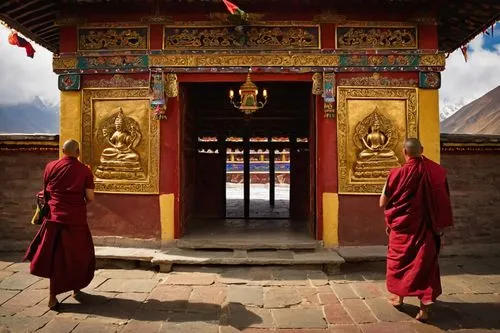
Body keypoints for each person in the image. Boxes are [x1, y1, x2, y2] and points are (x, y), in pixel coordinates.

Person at [379, 138, 453, 322]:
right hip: (427, 230)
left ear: (404, 151)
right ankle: (424, 311)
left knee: (400, 264)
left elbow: (382, 202)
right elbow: (442, 201)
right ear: (422, 149)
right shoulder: (437, 172)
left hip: (402, 230)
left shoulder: (397, 173)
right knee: (424, 266)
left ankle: (398, 298)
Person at [24, 139, 96, 310]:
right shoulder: (84, 170)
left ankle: (54, 296)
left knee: (55, 256)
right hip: (75, 219)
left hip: (53, 217)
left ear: (63, 150)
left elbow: (46, 190)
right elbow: (90, 197)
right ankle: (74, 289)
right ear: (77, 152)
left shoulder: (50, 166)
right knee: (79, 254)